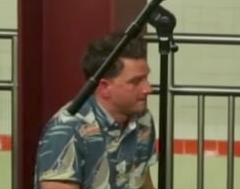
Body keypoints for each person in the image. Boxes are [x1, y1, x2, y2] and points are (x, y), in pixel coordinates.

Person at [34, 32, 156, 189]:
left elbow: (142, 178)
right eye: (136, 82)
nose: (148, 89)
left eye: (146, 78)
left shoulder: (143, 118)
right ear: (105, 87)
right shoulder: (67, 130)